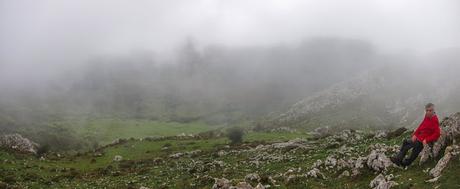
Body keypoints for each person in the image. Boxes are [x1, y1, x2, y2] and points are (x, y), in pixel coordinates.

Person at [391, 103, 440, 167]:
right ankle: (401, 161)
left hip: (421, 141)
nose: (428, 112)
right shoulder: (427, 116)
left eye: (430, 110)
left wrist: (426, 140)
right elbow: (422, 125)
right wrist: (415, 134)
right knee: (408, 145)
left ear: (433, 110)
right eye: (427, 110)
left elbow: (437, 133)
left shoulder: (434, 120)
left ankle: (401, 162)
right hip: (419, 138)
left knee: (410, 149)